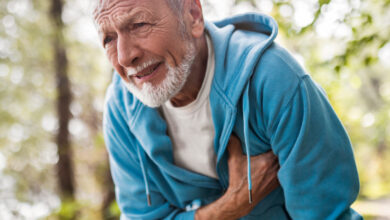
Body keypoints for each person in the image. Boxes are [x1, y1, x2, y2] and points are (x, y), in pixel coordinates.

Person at [94, 0, 362, 219]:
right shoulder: (121, 109)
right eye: (108, 39)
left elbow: (326, 215)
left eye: (139, 24)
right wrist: (231, 206)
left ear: (193, 15)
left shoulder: (274, 79)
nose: (124, 56)